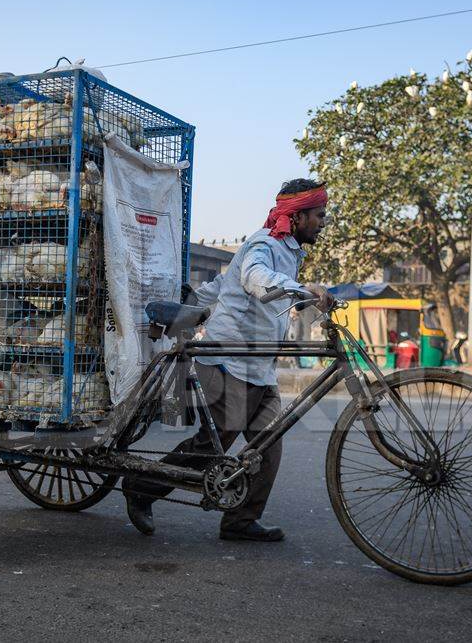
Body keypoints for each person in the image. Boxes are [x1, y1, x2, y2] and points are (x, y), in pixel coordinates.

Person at [124, 178, 334, 542]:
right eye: (318, 215)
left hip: (258, 364)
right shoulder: (263, 245)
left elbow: (225, 287)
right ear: (297, 216)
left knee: (268, 446)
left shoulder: (290, 251)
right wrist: (305, 290)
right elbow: (254, 279)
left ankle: (240, 521)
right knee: (212, 445)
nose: (323, 222)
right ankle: (141, 489)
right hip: (228, 359)